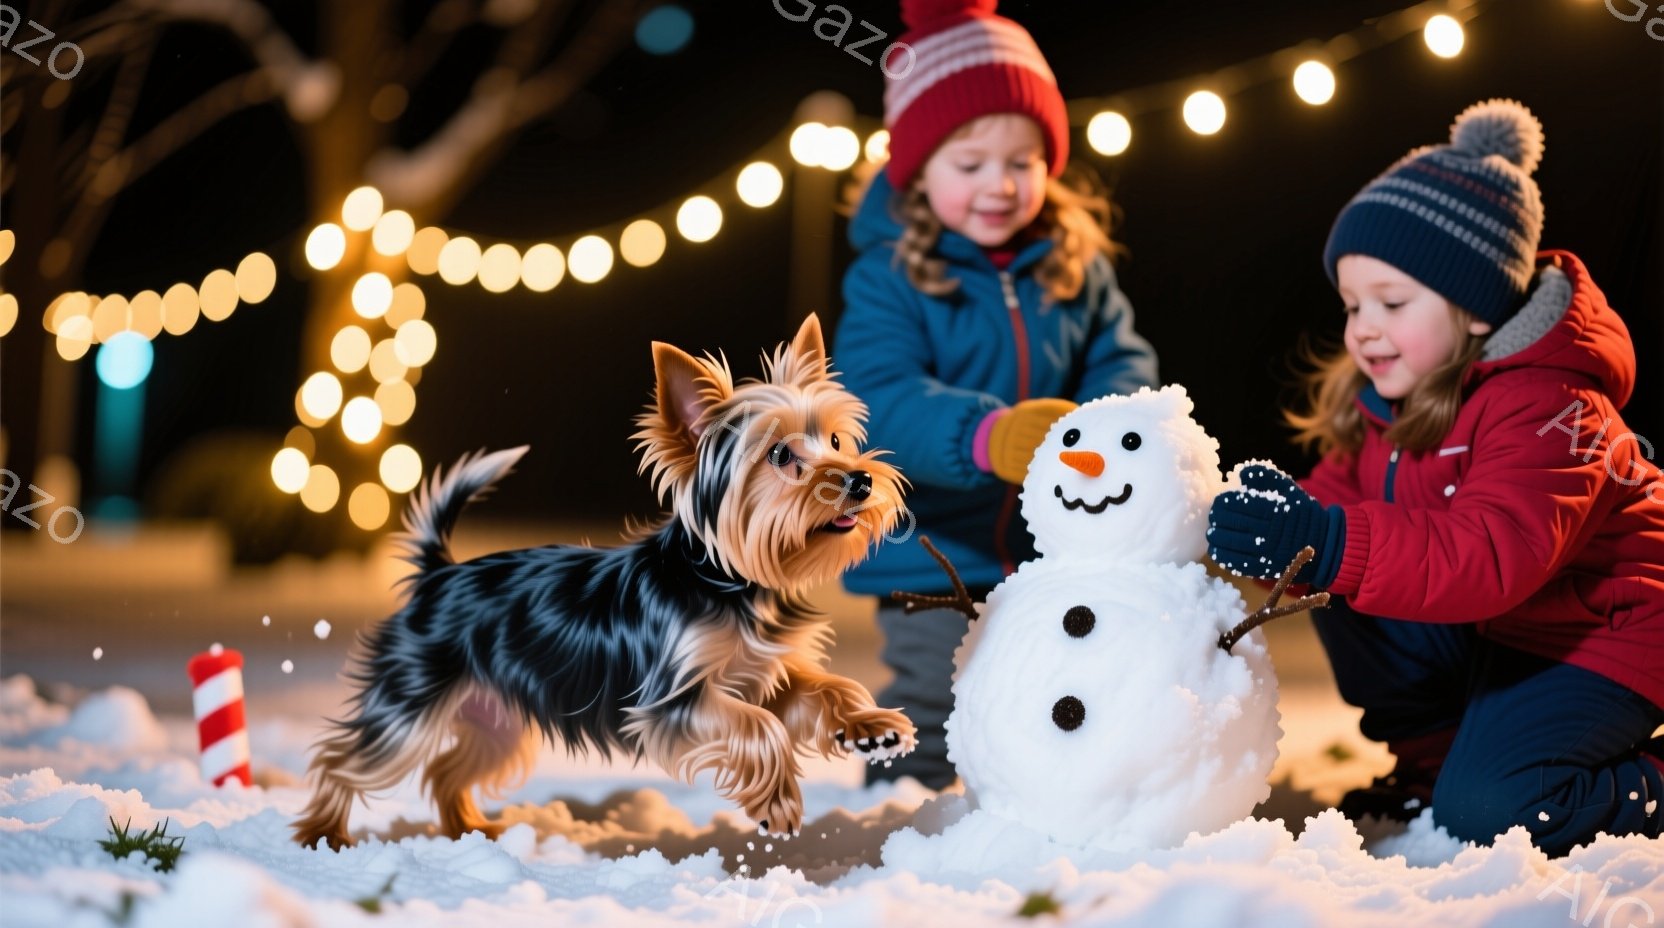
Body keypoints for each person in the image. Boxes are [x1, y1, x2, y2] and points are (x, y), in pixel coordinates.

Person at [1207, 99, 1664, 856]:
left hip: (1607, 631)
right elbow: (1329, 508)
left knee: (1497, 813)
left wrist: (1325, 538)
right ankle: (1434, 768)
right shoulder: (1394, 404)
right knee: (1334, 571)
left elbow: (1489, 554)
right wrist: (1233, 523)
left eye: (1391, 302)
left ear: (1476, 308)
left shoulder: (1554, 408)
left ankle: (1629, 786)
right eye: (1352, 304)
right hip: (1505, 627)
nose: (1363, 327)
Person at [833, 0, 1158, 789]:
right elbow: (875, 397)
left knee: (1055, 702)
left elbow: (1122, 362)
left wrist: (1104, 432)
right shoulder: (888, 276)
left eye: (1023, 161)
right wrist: (986, 436)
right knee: (932, 703)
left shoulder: (1074, 262)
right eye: (970, 164)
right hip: (932, 552)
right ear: (918, 169)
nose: (1000, 186)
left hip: (1058, 548)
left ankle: (1043, 817)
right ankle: (900, 819)